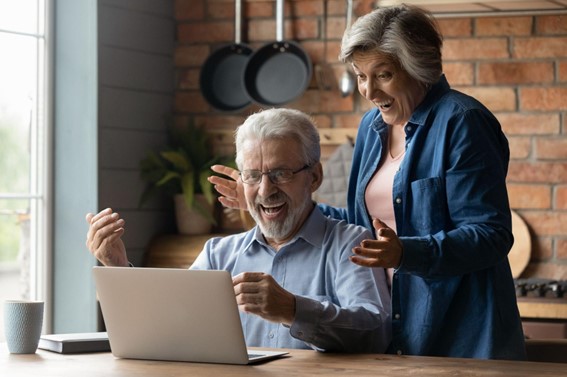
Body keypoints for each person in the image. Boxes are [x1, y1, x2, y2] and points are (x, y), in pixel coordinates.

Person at [208, 5, 526, 360]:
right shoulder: (372, 127)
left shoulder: (463, 123)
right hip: (399, 329)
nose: (370, 91)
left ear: (419, 67)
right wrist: (271, 197)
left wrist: (407, 252)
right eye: (360, 76)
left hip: (460, 329)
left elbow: (491, 235)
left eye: (383, 75)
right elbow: (363, 224)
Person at [86, 108, 391, 353]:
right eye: (253, 176)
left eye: (280, 174)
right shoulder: (218, 254)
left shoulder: (350, 243)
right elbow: (162, 328)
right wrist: (117, 266)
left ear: (314, 177)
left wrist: (293, 309)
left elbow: (376, 333)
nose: (265, 190)